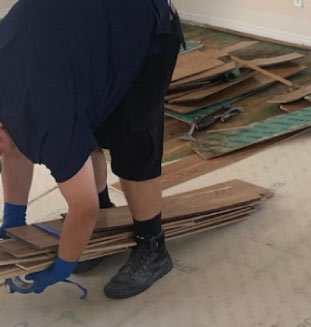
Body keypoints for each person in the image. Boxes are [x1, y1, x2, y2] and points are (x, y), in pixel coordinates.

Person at [0, 0, 185, 299]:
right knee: (89, 130)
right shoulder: (15, 100)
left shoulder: (47, 119)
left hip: (148, 33)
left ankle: (152, 247)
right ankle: (104, 221)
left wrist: (62, 264)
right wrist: (13, 218)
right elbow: (12, 148)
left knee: (134, 144)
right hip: (90, 41)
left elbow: (82, 207)